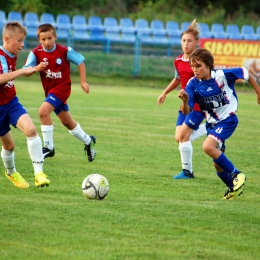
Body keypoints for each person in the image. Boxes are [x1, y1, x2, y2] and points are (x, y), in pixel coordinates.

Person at [178, 48, 260, 200]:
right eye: (193, 66)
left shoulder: (222, 76)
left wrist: (258, 91)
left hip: (228, 120)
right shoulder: (192, 84)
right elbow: (186, 111)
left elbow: (246, 73)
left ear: (209, 65)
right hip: (212, 124)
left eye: (199, 66)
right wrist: (184, 101)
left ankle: (237, 174)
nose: (195, 70)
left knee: (207, 147)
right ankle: (233, 188)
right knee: (218, 165)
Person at [23, 23, 96, 162]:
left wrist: (83, 81)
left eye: (50, 38)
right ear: (39, 39)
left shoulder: (64, 51)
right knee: (67, 122)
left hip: (62, 88)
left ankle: (49, 148)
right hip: (50, 91)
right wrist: (37, 68)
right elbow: (26, 71)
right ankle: (88, 141)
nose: (47, 42)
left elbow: (80, 61)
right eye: (43, 39)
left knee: (43, 112)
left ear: (55, 37)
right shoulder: (36, 53)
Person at [0, 22, 50, 188]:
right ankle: (11, 172)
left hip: (11, 102)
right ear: (7, 39)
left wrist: (34, 69)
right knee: (9, 145)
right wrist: (22, 71)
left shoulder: (12, 54)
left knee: (31, 129)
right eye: (19, 41)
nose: (22, 45)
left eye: (24, 41)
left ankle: (39, 174)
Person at [157, 19, 206, 179]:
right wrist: (164, 92)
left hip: (197, 104)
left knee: (183, 137)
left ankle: (187, 172)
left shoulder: (199, 61)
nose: (186, 44)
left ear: (197, 42)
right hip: (184, 104)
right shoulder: (178, 60)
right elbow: (178, 79)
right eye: (184, 40)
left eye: (189, 41)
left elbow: (206, 80)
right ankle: (209, 129)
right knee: (179, 137)